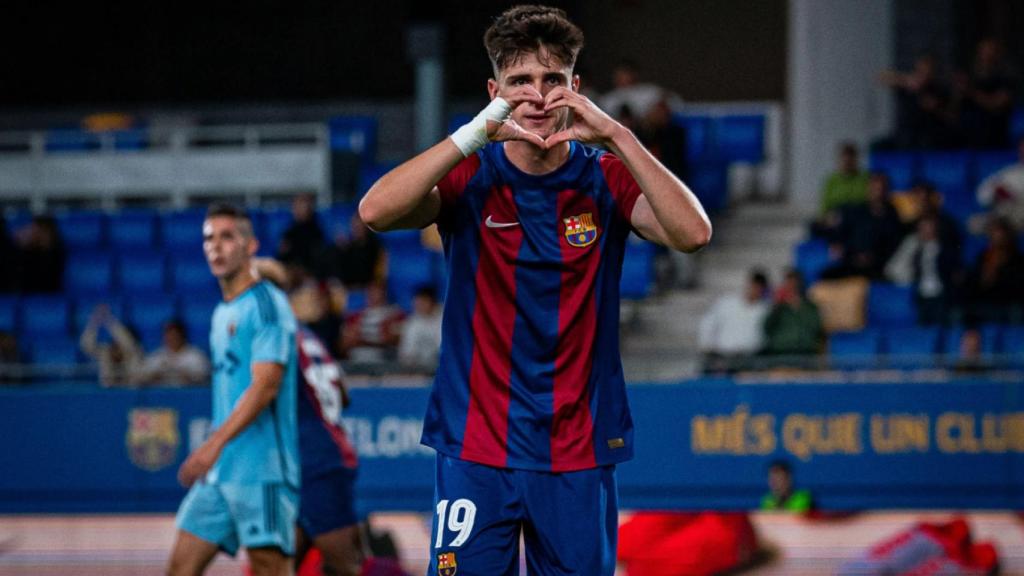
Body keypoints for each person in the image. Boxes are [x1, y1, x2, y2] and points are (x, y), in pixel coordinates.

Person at [358, 6, 711, 575]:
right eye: (521, 81)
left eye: (553, 81)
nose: (538, 96)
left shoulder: (605, 177)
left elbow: (693, 233)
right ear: (495, 90)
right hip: (477, 446)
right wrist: (473, 133)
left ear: (575, 88)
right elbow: (374, 211)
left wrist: (618, 135)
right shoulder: (472, 174)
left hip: (576, 449)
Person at [167, 204, 300, 576]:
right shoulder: (222, 311)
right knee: (179, 568)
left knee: (270, 570)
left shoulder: (267, 305)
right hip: (221, 474)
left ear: (250, 245)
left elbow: (266, 386)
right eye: (209, 238)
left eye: (227, 237)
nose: (216, 247)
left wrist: (212, 444)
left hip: (263, 471)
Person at [252, 256, 363, 576]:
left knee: (344, 566)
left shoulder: (273, 336)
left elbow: (261, 394)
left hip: (314, 462)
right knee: (276, 565)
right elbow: (343, 393)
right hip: (313, 458)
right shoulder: (305, 334)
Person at [820, 173, 906, 280]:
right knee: (826, 276)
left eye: (881, 189)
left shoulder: (892, 216)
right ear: (869, 190)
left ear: (887, 191)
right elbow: (840, 234)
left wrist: (873, 257)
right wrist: (845, 250)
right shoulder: (857, 211)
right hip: (852, 262)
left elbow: (894, 245)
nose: (878, 193)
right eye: (875, 189)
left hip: (877, 266)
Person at [884, 215, 961, 325]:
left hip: (941, 296)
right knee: (923, 329)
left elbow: (954, 271)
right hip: (922, 296)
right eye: (922, 228)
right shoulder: (916, 248)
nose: (925, 231)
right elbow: (892, 270)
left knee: (940, 327)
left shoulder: (945, 247)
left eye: (928, 227)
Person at [698, 269, 771, 373]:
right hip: (723, 357)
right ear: (748, 285)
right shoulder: (727, 303)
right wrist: (707, 347)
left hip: (749, 359)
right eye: (754, 286)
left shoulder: (765, 309)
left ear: (763, 290)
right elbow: (708, 323)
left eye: (759, 288)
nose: (755, 290)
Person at [954, 38, 1016, 149]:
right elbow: (956, 108)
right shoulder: (971, 77)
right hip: (969, 139)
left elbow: (997, 103)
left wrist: (971, 92)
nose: (986, 56)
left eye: (990, 52)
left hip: (995, 137)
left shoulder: (1005, 77)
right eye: (983, 52)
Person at [762, 269, 824, 357]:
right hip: (780, 352)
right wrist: (775, 307)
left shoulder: (811, 307)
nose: (791, 287)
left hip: (805, 352)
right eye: (788, 284)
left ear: (800, 285)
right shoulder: (778, 308)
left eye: (794, 285)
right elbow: (766, 328)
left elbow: (816, 328)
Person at [78, 304, 144, 387]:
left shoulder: (134, 353)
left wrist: (109, 319)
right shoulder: (104, 352)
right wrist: (94, 321)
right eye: (114, 344)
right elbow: (86, 345)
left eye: (119, 345)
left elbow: (127, 343)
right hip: (107, 396)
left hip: (129, 395)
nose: (116, 348)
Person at [340, 282, 404, 365]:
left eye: (377, 292)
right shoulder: (355, 317)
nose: (372, 295)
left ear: (384, 294)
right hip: (356, 362)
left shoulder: (395, 315)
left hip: (384, 362)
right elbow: (344, 344)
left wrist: (364, 342)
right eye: (370, 292)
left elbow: (396, 341)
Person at [136, 319, 211, 386]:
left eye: (175, 336)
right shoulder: (158, 357)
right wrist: (156, 375)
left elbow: (203, 377)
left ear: (182, 336)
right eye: (169, 336)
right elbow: (141, 377)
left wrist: (184, 374)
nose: (172, 339)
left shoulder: (195, 356)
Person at [976, 136, 1024, 231]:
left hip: (1020, 215)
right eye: (1022, 149)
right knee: (975, 223)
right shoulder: (1009, 173)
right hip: (1005, 216)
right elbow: (982, 195)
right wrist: (997, 192)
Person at [277, 193, 327, 277]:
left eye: (301, 205)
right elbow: (281, 256)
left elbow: (318, 261)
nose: (297, 209)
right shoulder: (289, 232)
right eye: (295, 206)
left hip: (309, 275)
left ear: (309, 208)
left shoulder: (316, 232)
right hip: (289, 272)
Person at [397, 285, 443, 371]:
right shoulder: (412, 322)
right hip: (417, 371)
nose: (418, 305)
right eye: (417, 301)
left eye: (423, 301)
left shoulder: (444, 318)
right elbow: (406, 353)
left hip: (440, 369)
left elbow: (444, 350)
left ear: (432, 301)